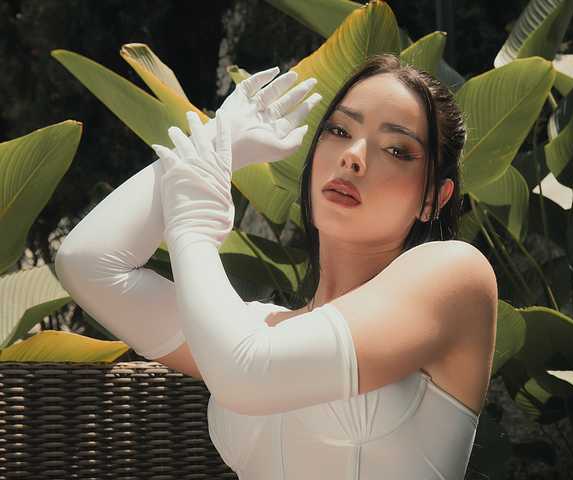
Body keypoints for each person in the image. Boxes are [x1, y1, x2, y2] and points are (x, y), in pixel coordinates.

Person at [55, 53, 497, 480]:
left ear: (432, 198)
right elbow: (88, 263)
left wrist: (192, 228)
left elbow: (246, 371)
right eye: (339, 130)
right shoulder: (253, 328)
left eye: (397, 150)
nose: (353, 156)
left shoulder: (455, 273)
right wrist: (220, 141)